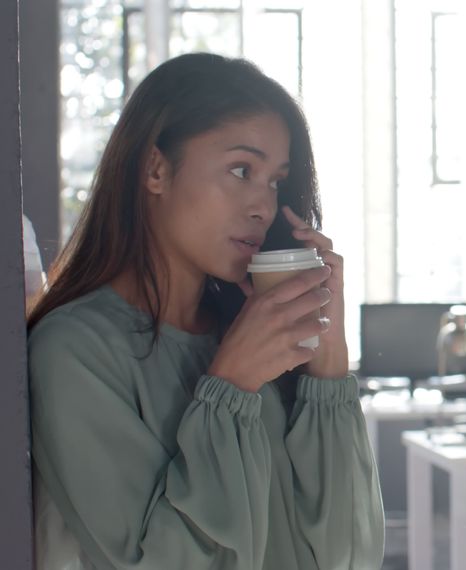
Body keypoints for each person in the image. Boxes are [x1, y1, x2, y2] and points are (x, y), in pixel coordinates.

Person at [27, 53, 383, 569]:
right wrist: (230, 386)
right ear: (156, 169)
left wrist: (328, 366)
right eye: (242, 170)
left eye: (275, 181)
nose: (263, 205)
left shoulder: (249, 337)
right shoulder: (74, 351)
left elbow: (347, 556)